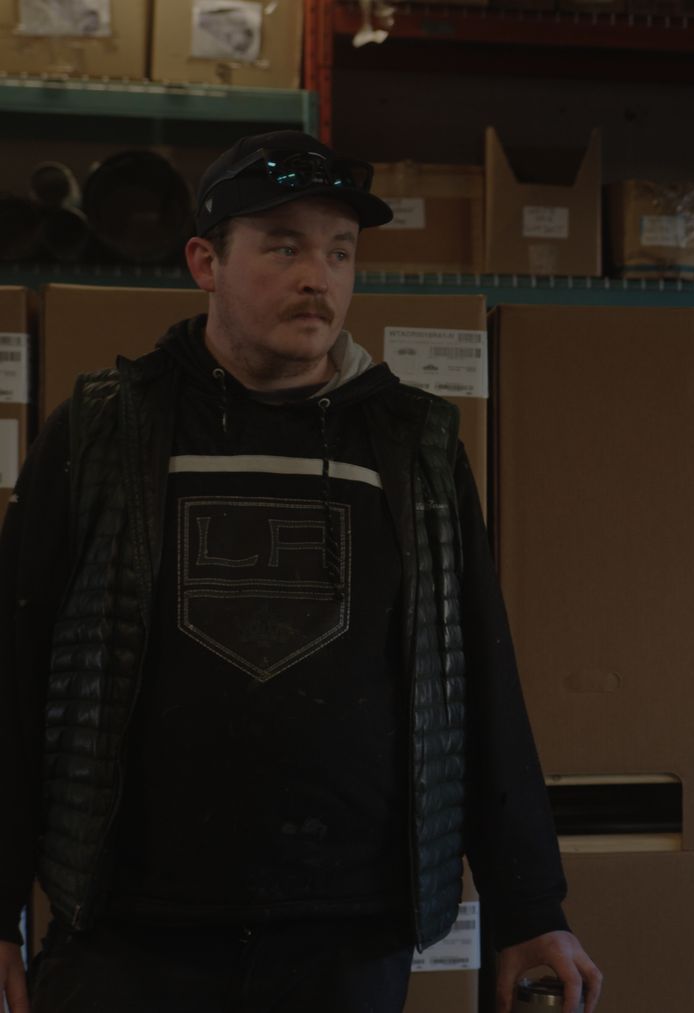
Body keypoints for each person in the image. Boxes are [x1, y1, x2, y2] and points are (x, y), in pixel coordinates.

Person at [0, 131, 602, 1013]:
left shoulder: (414, 443)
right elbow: (12, 675)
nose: (317, 277)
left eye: (340, 251)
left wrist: (530, 905)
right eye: (283, 247)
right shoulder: (103, 431)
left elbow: (478, 680)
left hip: (348, 935)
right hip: (126, 934)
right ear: (205, 260)